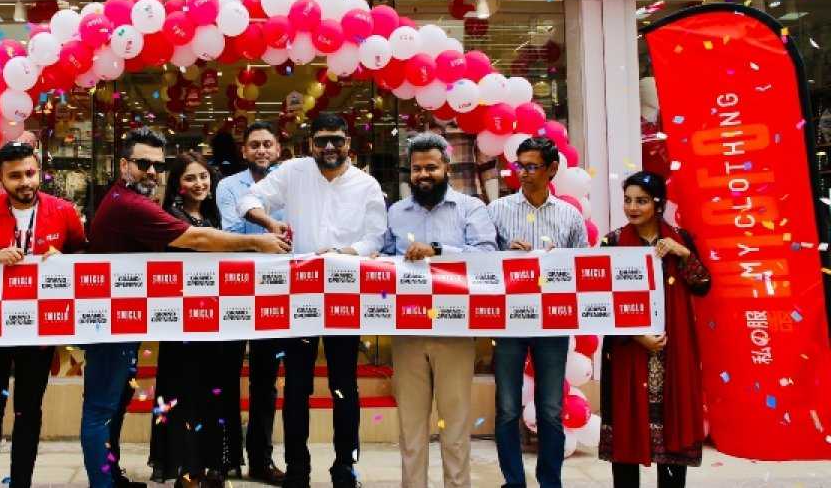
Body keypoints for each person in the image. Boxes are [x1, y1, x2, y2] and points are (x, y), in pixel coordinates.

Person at [81, 128, 291, 488]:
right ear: (124, 165)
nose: (151, 171)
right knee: (102, 408)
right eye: (143, 164)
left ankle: (111, 476)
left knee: (114, 403)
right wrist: (258, 242)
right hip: (111, 319)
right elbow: (196, 237)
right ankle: (104, 484)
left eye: (157, 166)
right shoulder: (130, 204)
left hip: (126, 318)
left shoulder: (130, 199)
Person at [239, 112, 388, 488]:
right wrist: (269, 223)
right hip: (300, 297)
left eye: (336, 139)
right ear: (311, 144)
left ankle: (345, 468)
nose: (329, 147)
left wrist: (343, 253)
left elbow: (376, 238)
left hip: (344, 296)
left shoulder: (367, 185)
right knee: (296, 388)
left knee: (345, 387)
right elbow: (250, 198)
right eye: (322, 140)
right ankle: (298, 470)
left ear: (348, 143)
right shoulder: (293, 172)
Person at [0, 141, 87, 488]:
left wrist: (65, 259)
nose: (25, 181)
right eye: (15, 176)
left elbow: (84, 256)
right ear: (0, 178)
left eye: (30, 173)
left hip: (39, 330)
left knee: (29, 413)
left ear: (39, 172)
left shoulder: (63, 211)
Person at [382, 133, 497, 488]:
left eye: (431, 167)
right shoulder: (396, 212)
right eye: (417, 169)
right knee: (411, 429)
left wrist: (438, 251)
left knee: (455, 427)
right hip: (407, 331)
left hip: (454, 330)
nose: (423, 175)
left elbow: (487, 256)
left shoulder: (471, 208)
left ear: (447, 167)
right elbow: (382, 259)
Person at [486, 137, 588, 488]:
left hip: (553, 323)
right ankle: (513, 481)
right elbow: (480, 263)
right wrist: (504, 254)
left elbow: (584, 267)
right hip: (508, 321)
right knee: (507, 407)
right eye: (520, 166)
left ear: (552, 169)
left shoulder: (569, 215)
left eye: (532, 167)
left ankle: (550, 481)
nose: (524, 173)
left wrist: (559, 261)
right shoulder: (497, 210)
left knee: (550, 409)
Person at [600, 172, 711, 488]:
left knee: (672, 433)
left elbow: (703, 286)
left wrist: (683, 253)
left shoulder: (680, 239)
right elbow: (599, 301)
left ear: (658, 204)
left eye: (642, 201)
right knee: (626, 431)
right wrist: (637, 336)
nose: (632, 207)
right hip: (627, 351)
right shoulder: (612, 242)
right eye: (627, 200)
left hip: (672, 352)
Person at [151, 152, 245, 488]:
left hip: (217, 321)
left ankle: (212, 465)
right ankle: (186, 468)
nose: (199, 184)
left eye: (203, 177)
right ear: (177, 183)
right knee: (184, 394)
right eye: (190, 178)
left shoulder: (216, 215)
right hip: (182, 323)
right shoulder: (170, 217)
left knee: (214, 393)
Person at [215, 121, 287, 486]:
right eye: (254, 144)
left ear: (278, 149)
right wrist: (268, 236)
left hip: (276, 292)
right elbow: (231, 232)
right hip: (234, 290)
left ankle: (261, 460)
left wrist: (264, 238)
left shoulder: (290, 184)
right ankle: (227, 458)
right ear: (244, 151)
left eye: (267, 144)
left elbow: (294, 233)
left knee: (265, 381)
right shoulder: (228, 186)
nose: (261, 150)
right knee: (226, 376)